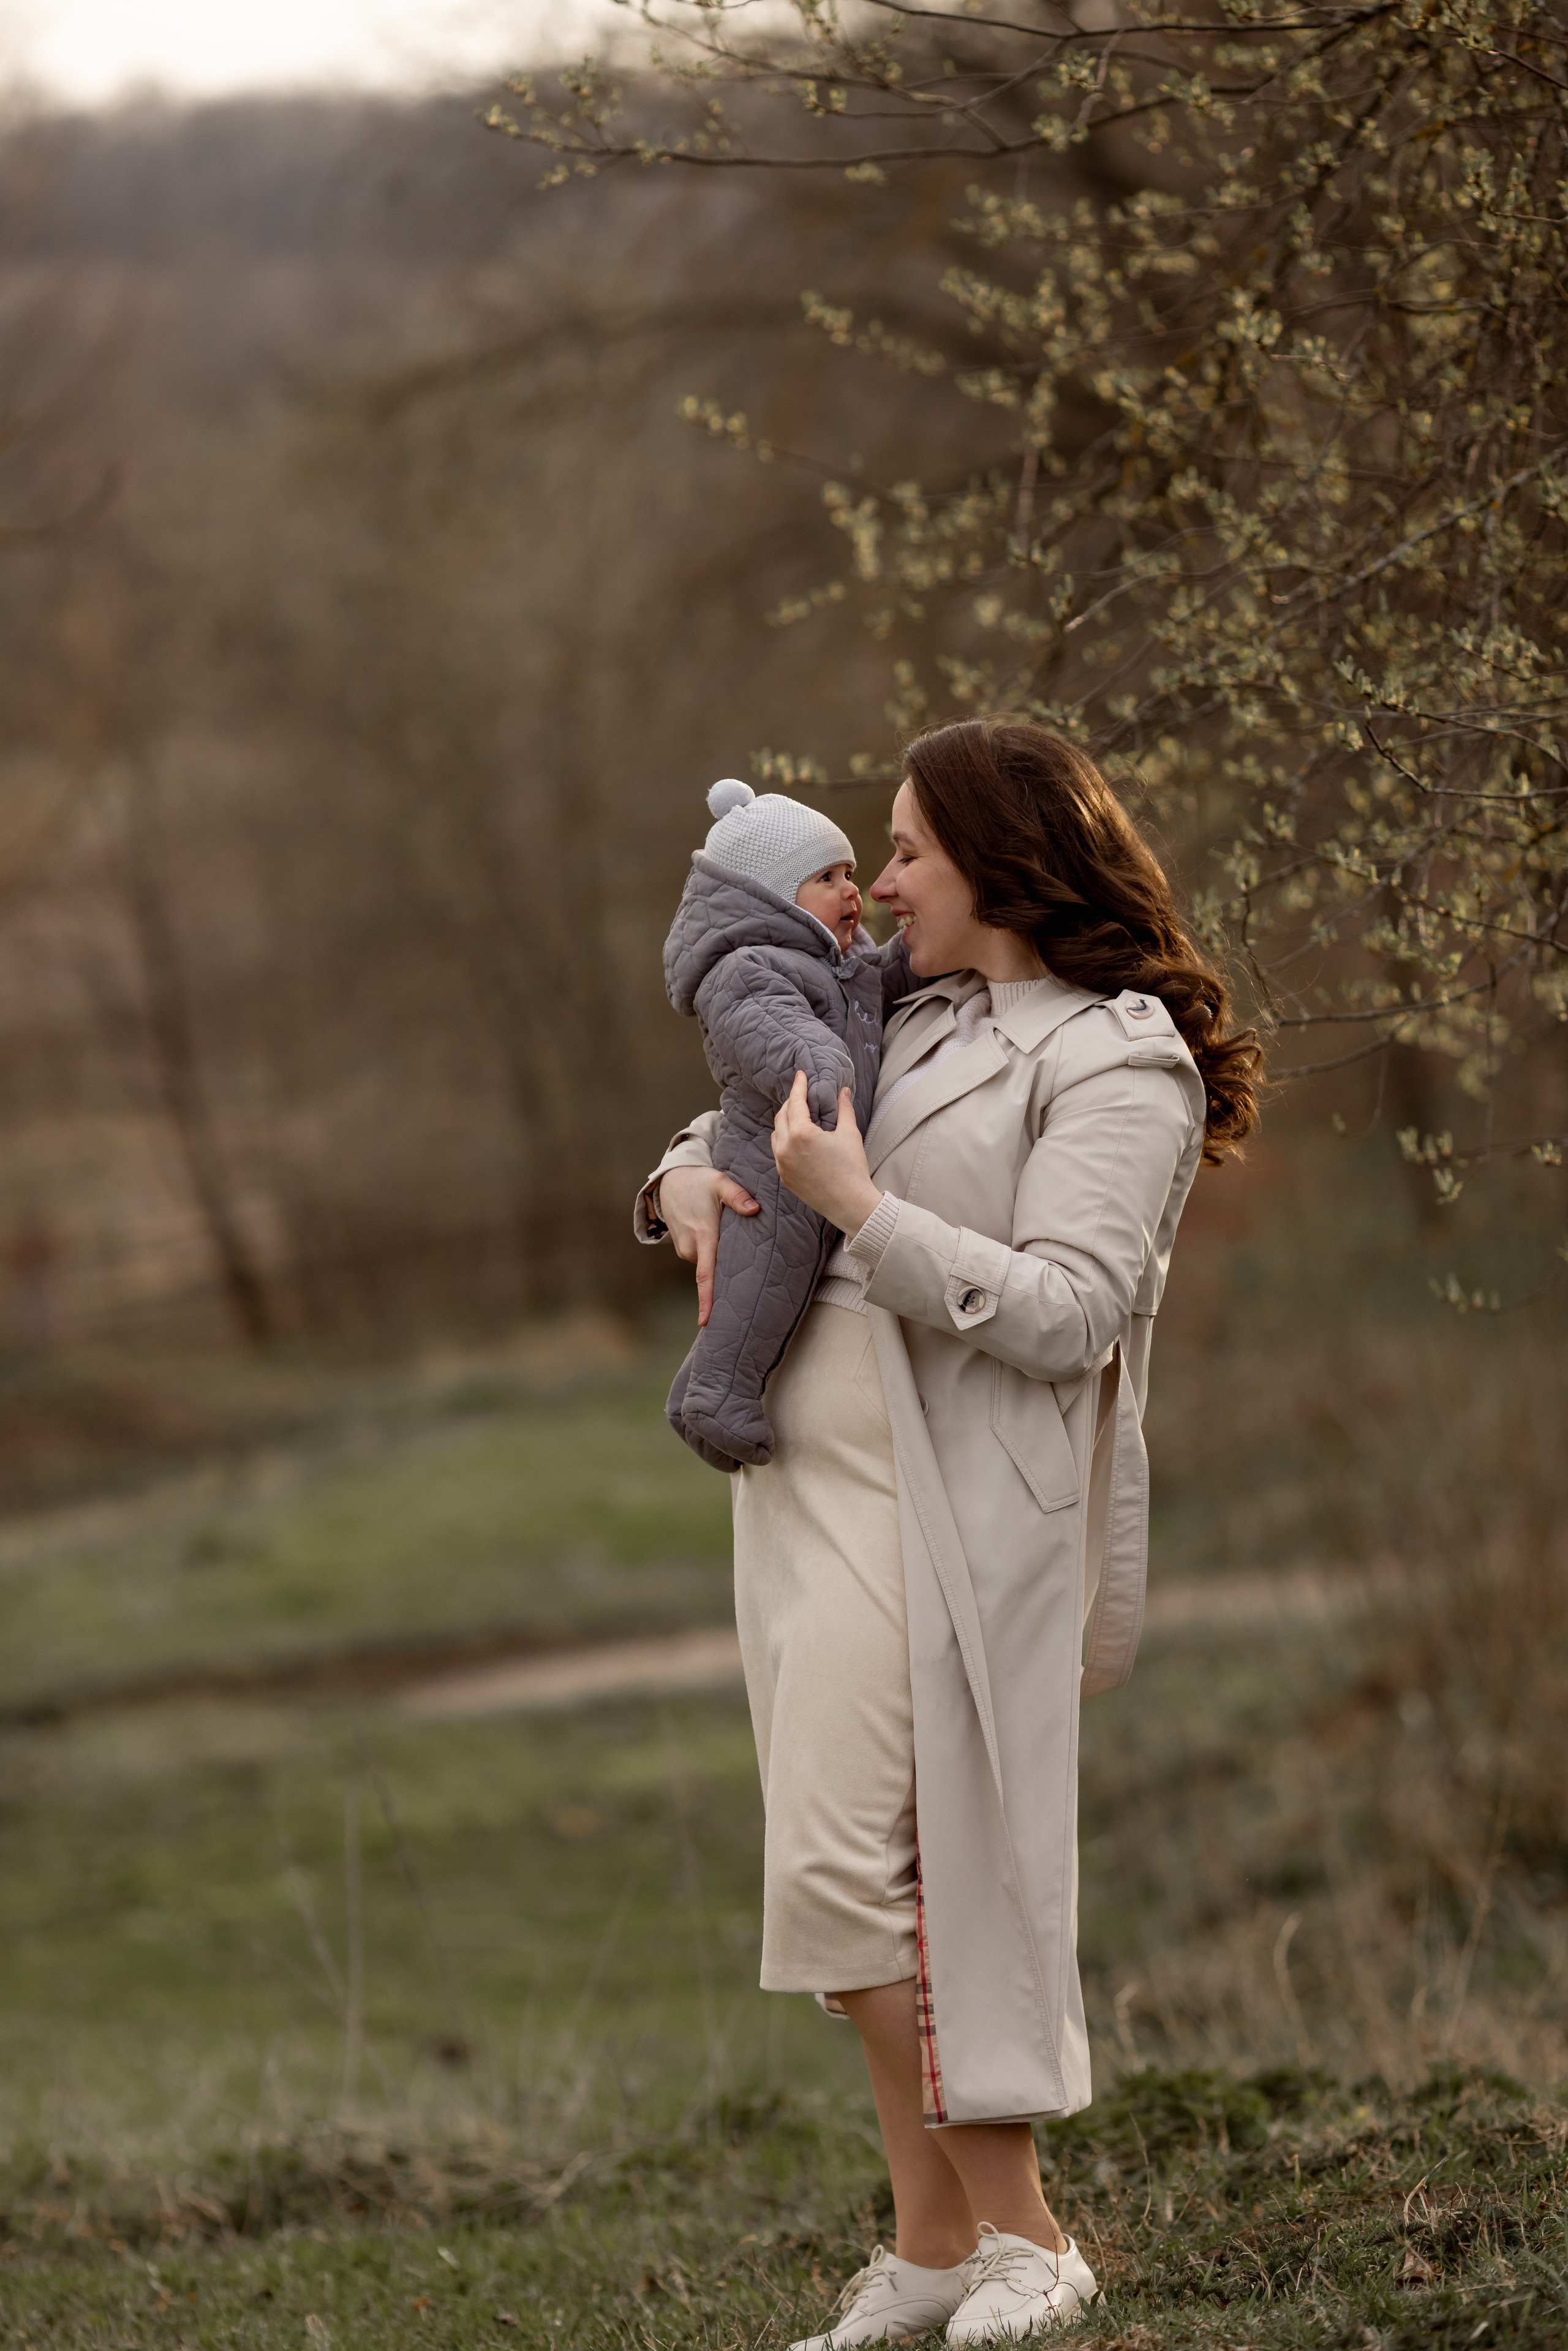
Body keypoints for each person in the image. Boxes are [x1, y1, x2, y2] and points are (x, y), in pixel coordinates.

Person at [636, 720, 1261, 2345]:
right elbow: (758, 1104)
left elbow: (1067, 1308)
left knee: (885, 1868)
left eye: (907, 846)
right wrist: (677, 1190)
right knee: (838, 1876)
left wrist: (853, 1211)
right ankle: (932, 2245)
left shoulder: (1117, 1059)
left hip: (953, 1505)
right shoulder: (901, 1011)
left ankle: (1029, 2235)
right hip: (806, 1490)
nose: (882, 877)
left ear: (1000, 857)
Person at [659, 777, 911, 1470]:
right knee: (770, 1276)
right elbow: (787, 1043)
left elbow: (887, 983)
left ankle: (698, 1388)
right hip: (768, 1160)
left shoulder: (841, 960)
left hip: (810, 1149)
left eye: (850, 873)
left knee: (759, 1291)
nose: (852, 890)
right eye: (826, 877)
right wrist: (828, 1073)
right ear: (772, 897)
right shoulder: (745, 970)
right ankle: (720, 1395)